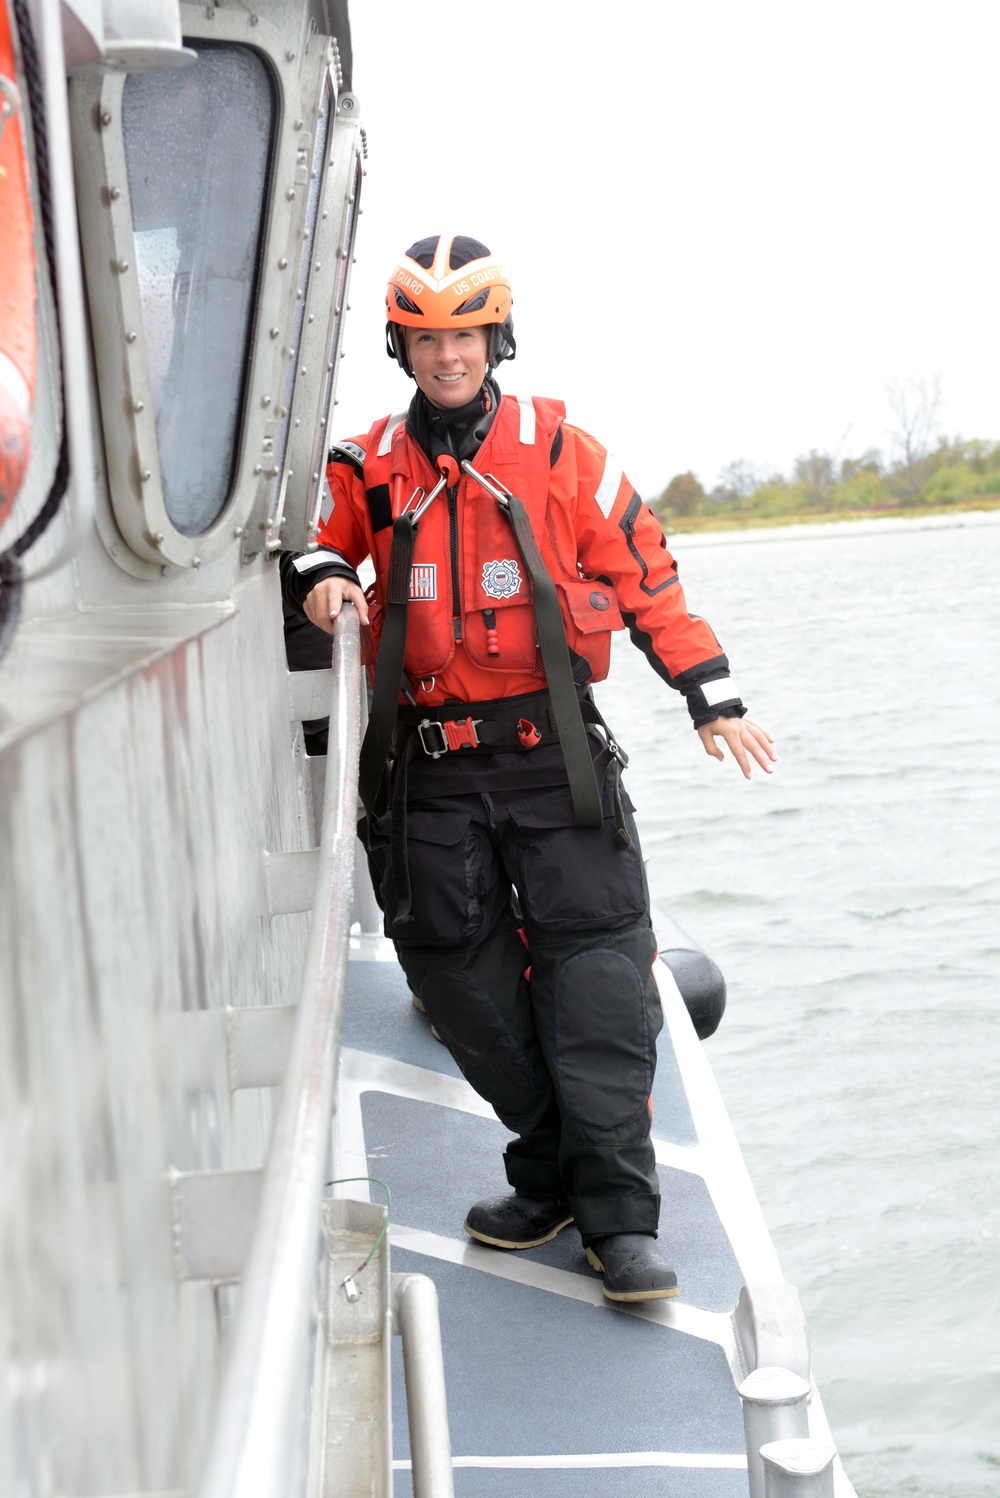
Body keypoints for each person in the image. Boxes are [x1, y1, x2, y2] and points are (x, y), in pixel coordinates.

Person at [281, 234, 775, 1302]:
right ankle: (546, 1167)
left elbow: (646, 577)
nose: (446, 354)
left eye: (463, 332)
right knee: (454, 981)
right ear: (401, 345)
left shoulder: (563, 452)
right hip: (429, 776)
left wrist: (710, 694)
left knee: (596, 983)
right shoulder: (367, 461)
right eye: (425, 336)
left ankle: (618, 1224)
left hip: (556, 766)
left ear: (493, 336)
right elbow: (318, 542)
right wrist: (324, 582)